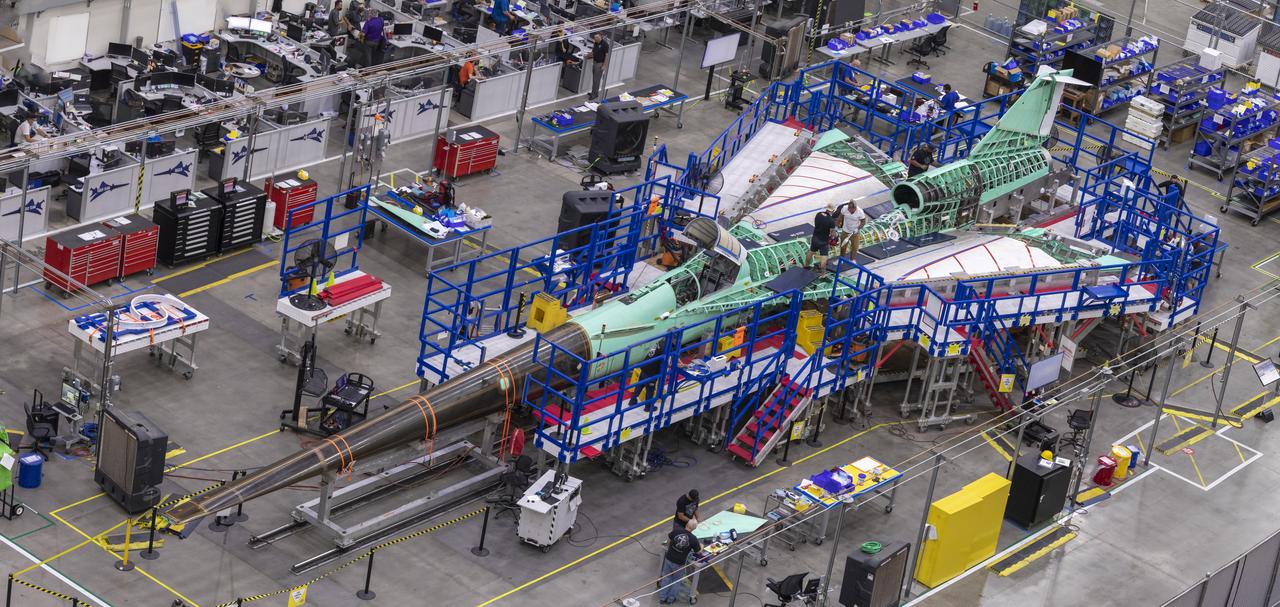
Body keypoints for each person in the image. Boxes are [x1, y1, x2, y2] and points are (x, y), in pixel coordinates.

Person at [659, 519, 701, 605]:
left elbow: (669, 539)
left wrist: (669, 547)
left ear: (687, 524)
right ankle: (670, 599)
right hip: (679, 564)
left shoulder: (677, 530)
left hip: (669, 558)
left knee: (666, 578)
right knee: (676, 581)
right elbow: (698, 552)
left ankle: (662, 598)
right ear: (694, 529)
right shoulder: (693, 539)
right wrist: (702, 546)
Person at [806, 203, 838, 270]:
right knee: (824, 258)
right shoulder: (831, 221)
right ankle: (823, 275)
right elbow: (832, 234)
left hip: (815, 237)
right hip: (823, 241)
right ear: (833, 210)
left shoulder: (818, 214)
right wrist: (835, 235)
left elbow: (816, 224)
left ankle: (806, 266)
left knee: (811, 252)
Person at [588, 31, 610, 100]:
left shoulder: (605, 44)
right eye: (595, 37)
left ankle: (594, 95)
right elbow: (593, 51)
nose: (595, 39)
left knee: (596, 80)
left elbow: (607, 56)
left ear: (601, 37)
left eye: (597, 37)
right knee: (594, 79)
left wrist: (604, 65)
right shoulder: (595, 43)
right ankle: (594, 92)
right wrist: (587, 56)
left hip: (599, 63)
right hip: (595, 62)